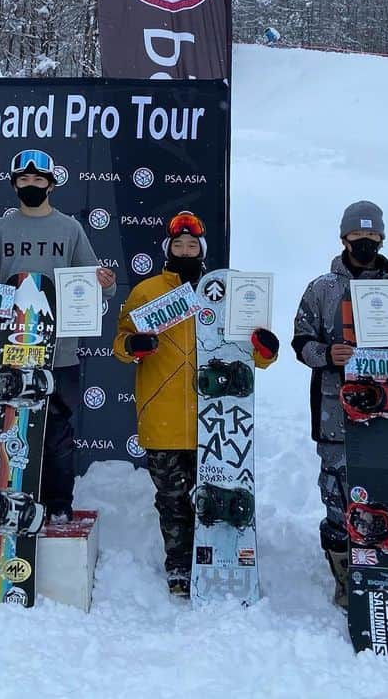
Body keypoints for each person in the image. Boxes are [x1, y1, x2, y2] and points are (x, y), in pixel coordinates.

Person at [113, 211, 279, 598]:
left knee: (216, 497)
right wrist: (133, 345)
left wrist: (265, 349)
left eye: (192, 245)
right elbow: (120, 343)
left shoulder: (224, 292)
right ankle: (178, 566)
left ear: (202, 249)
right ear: (168, 249)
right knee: (172, 500)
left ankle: (218, 561)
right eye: (178, 245)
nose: (185, 250)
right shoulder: (147, 292)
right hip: (164, 415)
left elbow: (253, 353)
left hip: (216, 420)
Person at [0, 148, 116, 521]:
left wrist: (104, 282)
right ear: (15, 184)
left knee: (56, 432)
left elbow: (95, 282)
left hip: (59, 352)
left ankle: (58, 505)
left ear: (51, 184)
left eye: (38, 179)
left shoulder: (69, 228)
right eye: (24, 179)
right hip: (2, 351)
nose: (31, 184)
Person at [291, 201, 388, 611]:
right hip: (335, 413)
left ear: (382, 239)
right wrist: (327, 354)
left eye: (372, 238)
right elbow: (300, 341)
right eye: (357, 237)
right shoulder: (321, 289)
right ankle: (345, 572)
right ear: (343, 238)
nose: (365, 243)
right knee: (337, 494)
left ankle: (384, 565)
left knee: (384, 493)